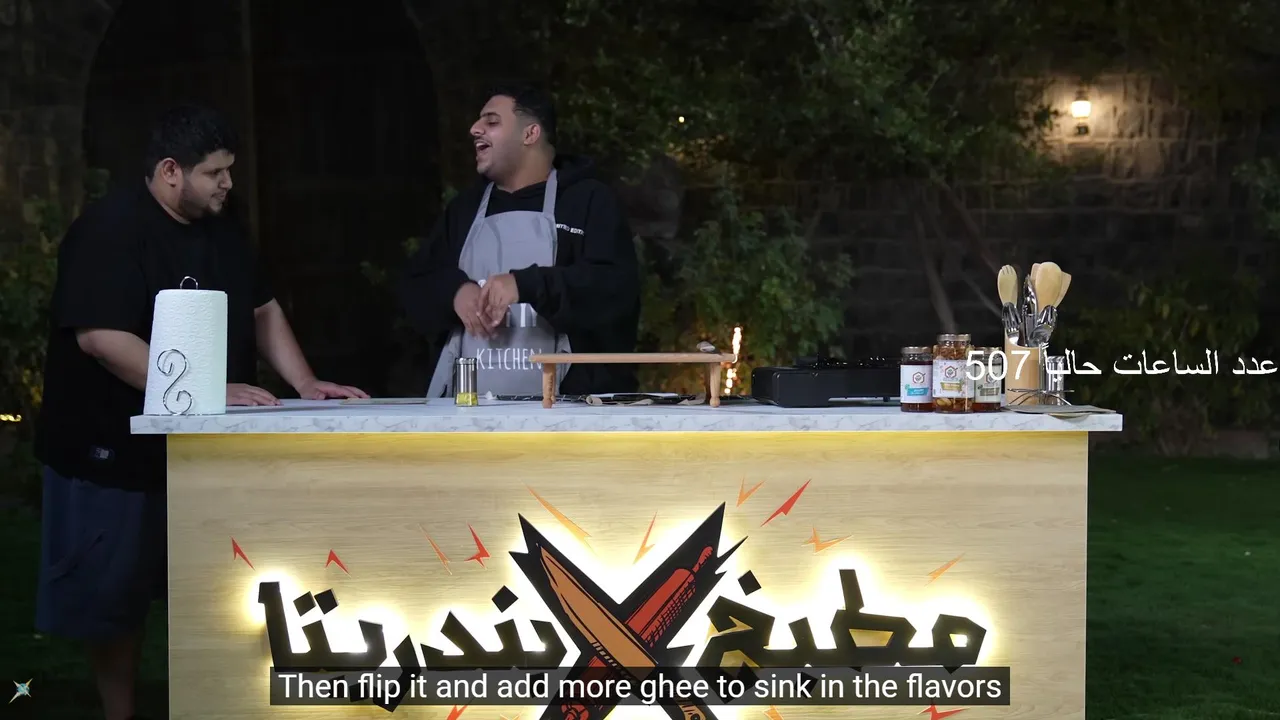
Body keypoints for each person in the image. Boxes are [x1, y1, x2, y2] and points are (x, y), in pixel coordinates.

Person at [32, 104, 367, 720]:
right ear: (170, 171)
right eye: (215, 172)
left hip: (203, 455)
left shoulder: (223, 228)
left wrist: (305, 383)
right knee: (113, 600)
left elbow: (262, 307)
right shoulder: (108, 230)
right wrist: (207, 388)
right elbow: (101, 338)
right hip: (106, 450)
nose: (228, 183)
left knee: (217, 587)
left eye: (228, 170)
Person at [400, 83, 641, 398]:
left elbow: (614, 289)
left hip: (571, 410)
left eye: (491, 121)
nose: (474, 129)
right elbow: (415, 284)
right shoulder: (464, 209)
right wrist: (454, 292)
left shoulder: (588, 201)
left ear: (530, 134)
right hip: (469, 412)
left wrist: (526, 285)